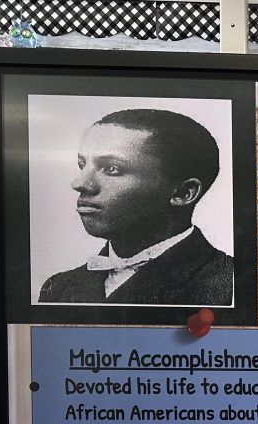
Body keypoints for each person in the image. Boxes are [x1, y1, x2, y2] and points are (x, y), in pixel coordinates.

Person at [38, 108, 233, 306]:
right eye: (82, 165)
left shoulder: (233, 285)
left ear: (183, 193)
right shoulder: (58, 287)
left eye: (111, 169)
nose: (80, 183)